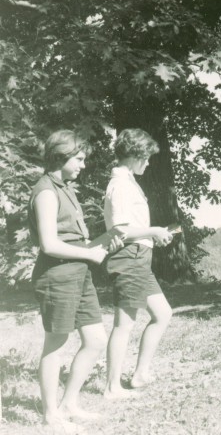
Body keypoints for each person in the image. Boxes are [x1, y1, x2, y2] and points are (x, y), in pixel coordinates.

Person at [28, 130, 124, 432]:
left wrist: (104, 241)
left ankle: (69, 403)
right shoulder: (46, 191)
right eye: (79, 159)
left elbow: (75, 240)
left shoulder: (66, 188)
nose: (83, 165)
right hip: (56, 275)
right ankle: (50, 416)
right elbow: (49, 244)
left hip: (78, 273)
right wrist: (92, 254)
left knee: (95, 340)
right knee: (55, 345)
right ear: (61, 156)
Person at [103, 128, 173, 399]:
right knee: (124, 324)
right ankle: (112, 387)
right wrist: (154, 231)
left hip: (139, 257)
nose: (148, 162)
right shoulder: (119, 185)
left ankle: (140, 374)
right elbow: (119, 230)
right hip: (129, 257)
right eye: (145, 157)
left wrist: (153, 235)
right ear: (133, 156)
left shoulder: (128, 181)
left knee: (163, 313)